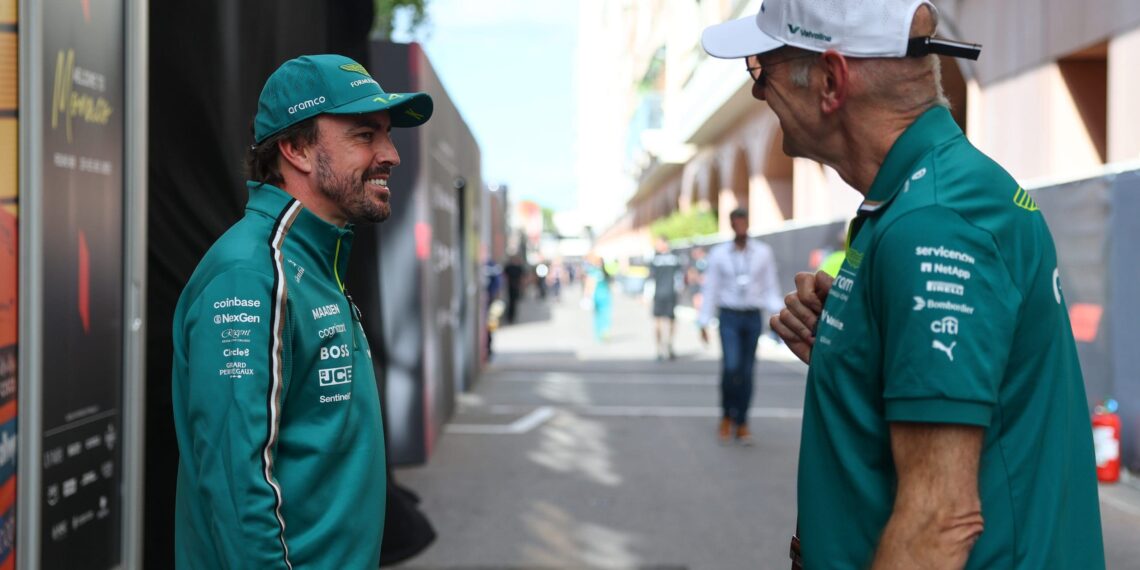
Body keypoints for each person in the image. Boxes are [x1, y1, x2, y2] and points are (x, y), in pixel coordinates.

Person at [703, 1, 1105, 568]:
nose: (757, 94)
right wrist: (854, 355)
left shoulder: (931, 222)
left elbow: (941, 521)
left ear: (830, 80)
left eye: (759, 69)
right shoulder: (922, 198)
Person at [170, 54, 432, 569]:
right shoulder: (251, 274)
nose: (390, 154)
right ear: (296, 149)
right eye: (364, 134)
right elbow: (236, 489)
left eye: (387, 134)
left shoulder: (312, 259)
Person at [696, 208, 781, 445]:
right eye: (736, 223)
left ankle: (742, 421)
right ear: (732, 225)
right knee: (731, 367)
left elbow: (770, 286)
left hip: (752, 316)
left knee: (747, 371)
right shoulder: (719, 254)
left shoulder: (763, 252)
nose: (741, 227)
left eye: (744, 222)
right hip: (729, 317)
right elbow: (710, 288)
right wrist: (703, 320)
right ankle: (726, 415)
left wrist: (778, 318)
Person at [648, 238, 683, 360]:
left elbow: (650, 278)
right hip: (663, 294)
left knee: (669, 321)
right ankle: (662, 348)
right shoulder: (671, 258)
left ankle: (667, 346)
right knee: (659, 322)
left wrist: (647, 295)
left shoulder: (660, 259)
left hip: (666, 294)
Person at [583, 255, 613, 340]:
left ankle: (604, 332)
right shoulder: (593, 272)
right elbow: (588, 285)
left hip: (604, 295)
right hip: (596, 296)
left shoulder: (603, 271)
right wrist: (587, 296)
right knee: (598, 315)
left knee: (605, 314)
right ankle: (600, 333)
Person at [503, 254, 525, 323]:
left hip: (515, 286)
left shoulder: (518, 267)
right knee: (511, 302)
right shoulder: (509, 267)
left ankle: (511, 316)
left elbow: (522, 277)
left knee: (513, 302)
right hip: (510, 286)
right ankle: (509, 316)